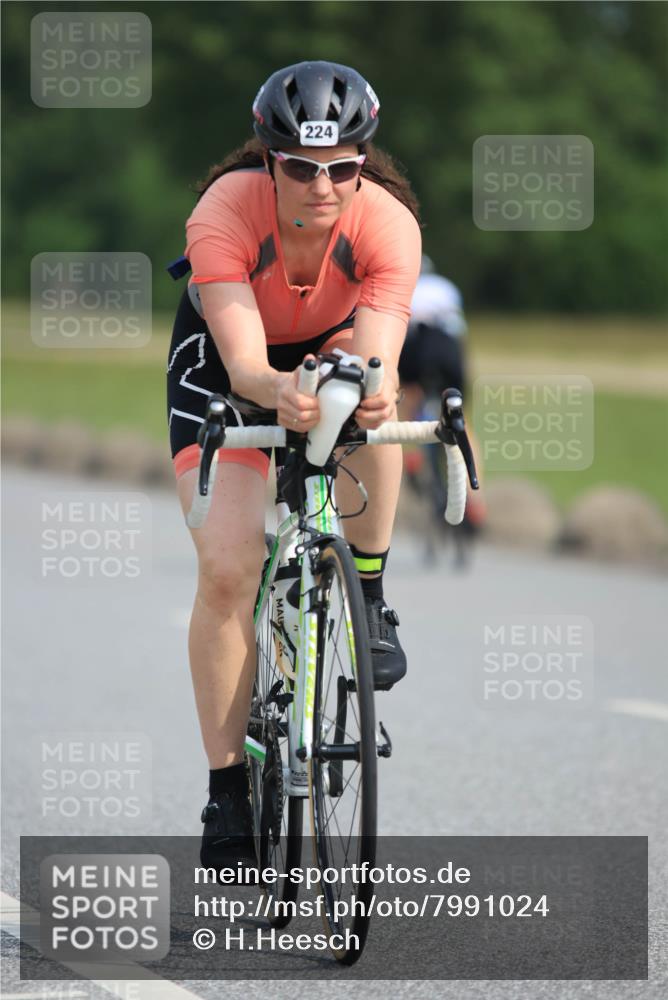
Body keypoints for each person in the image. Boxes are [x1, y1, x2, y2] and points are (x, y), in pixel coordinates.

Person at [165, 61, 422, 868]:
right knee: (230, 569)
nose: (322, 185)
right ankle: (227, 790)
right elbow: (245, 367)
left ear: (363, 163)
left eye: (342, 168)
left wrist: (363, 394)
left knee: (369, 402)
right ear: (269, 161)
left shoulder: (389, 225)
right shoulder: (224, 211)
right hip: (228, 364)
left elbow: (377, 353)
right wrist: (279, 392)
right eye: (302, 168)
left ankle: (369, 590)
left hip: (329, 349)